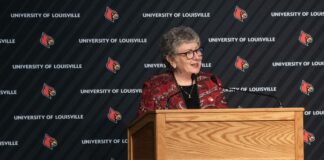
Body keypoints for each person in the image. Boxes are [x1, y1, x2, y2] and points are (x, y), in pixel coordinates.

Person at [138, 26, 228, 117]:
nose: (197, 57)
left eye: (197, 51)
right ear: (172, 59)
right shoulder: (155, 87)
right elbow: (145, 126)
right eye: (189, 53)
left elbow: (226, 120)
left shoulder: (211, 82)